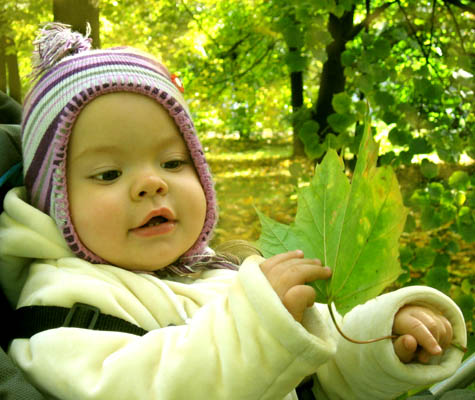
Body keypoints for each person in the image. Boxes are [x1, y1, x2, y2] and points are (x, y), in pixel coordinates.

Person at [0, 23, 467, 400]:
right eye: (107, 174)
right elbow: (141, 387)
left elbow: (319, 368)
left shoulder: (222, 274)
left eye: (173, 162)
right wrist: (260, 328)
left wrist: (385, 340)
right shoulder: (60, 302)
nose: (151, 183)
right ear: (53, 201)